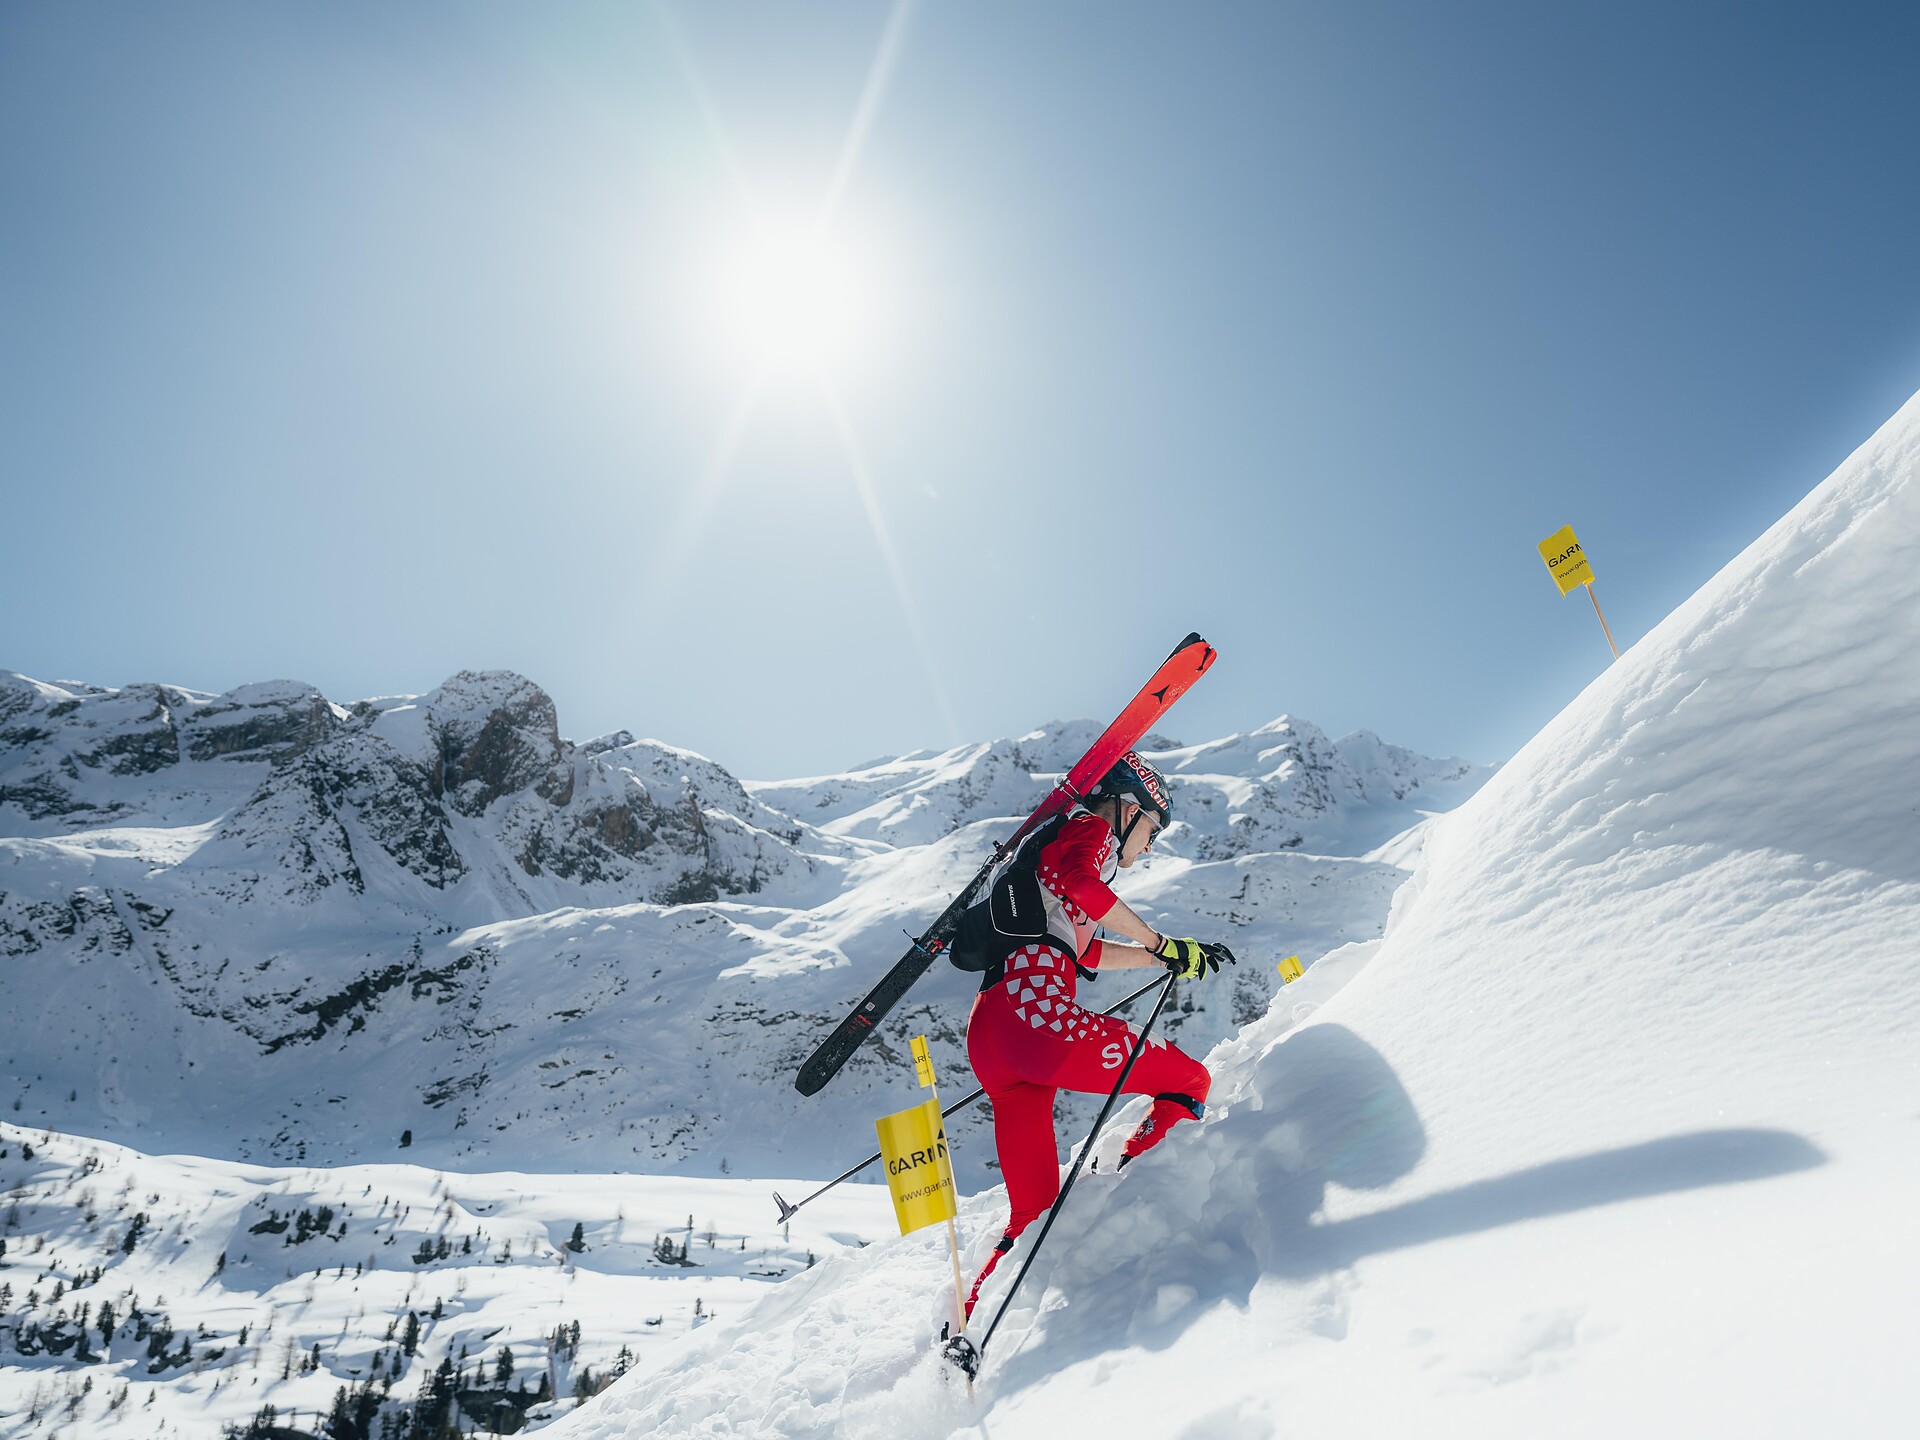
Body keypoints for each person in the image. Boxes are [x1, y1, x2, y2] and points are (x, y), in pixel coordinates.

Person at [962, 750, 1235, 1318]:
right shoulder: (1090, 830)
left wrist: (1162, 957)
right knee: (1189, 1080)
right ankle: (1134, 1195)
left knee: (1033, 1214)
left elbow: (1086, 951)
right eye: (1153, 830)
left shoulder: (1052, 862)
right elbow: (1084, 885)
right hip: (1035, 1020)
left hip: (994, 1029)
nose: (1150, 847)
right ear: (1129, 810)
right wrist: (1160, 943)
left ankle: (968, 1317)